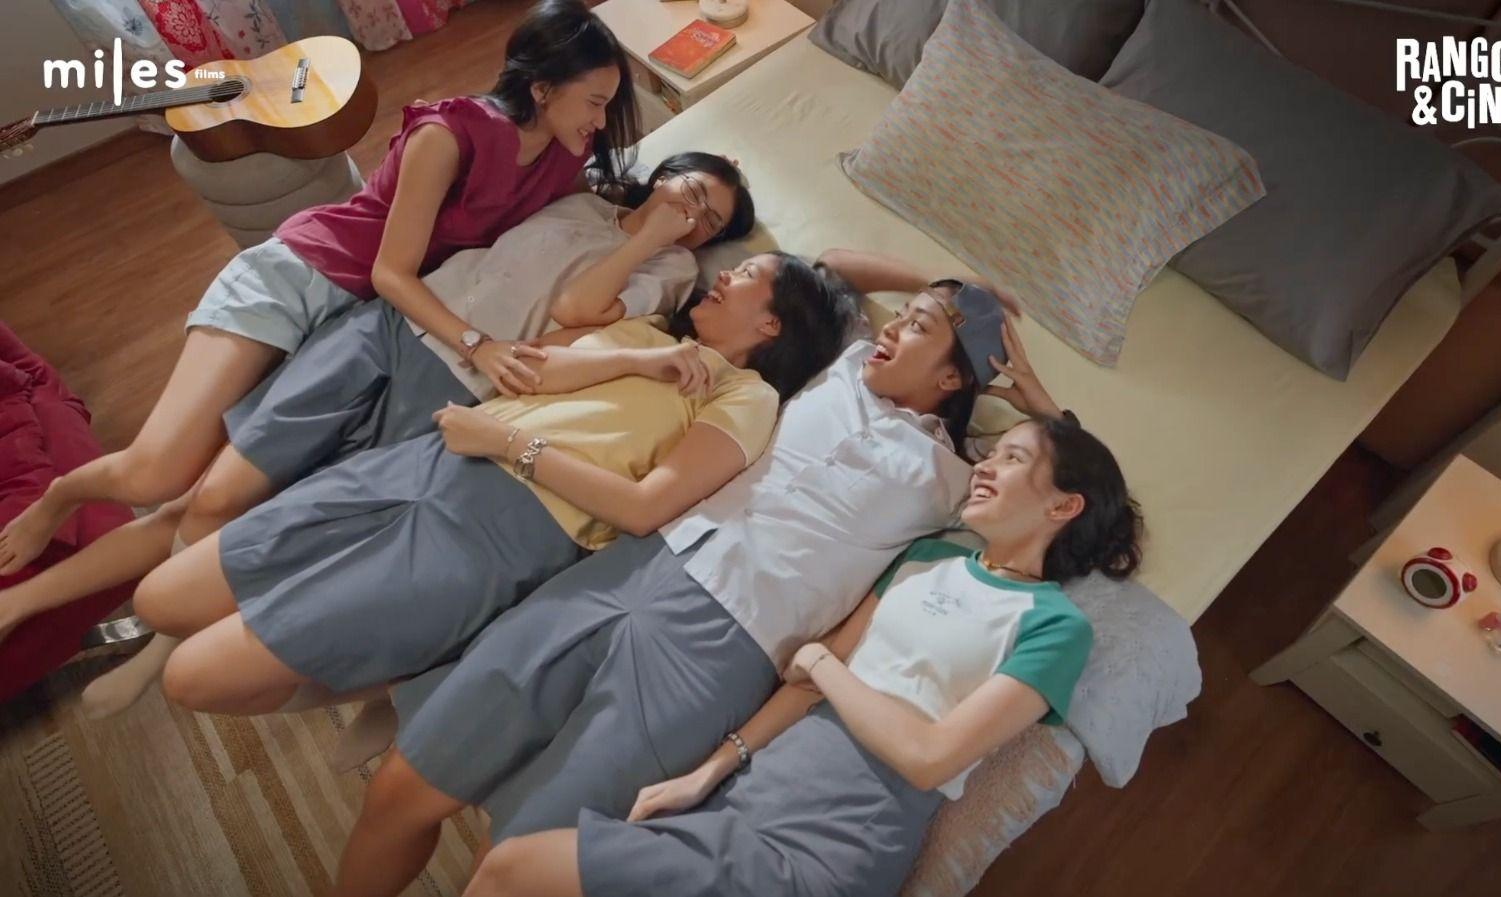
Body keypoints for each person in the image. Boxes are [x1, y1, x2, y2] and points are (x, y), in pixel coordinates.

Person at [328, 250, 1071, 897]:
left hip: (721, 655)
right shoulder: (841, 368)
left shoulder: (959, 479)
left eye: (918, 328)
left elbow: (1074, 491)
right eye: (899, 317)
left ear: (954, 374)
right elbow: (834, 265)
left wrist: (1031, 394)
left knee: (518, 860)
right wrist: (951, 284)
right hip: (631, 570)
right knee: (402, 787)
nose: (894, 329)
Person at [0, 152, 752, 716]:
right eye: (692, 192)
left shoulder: (670, 275)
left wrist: (653, 236)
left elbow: (575, 312)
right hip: (396, 327)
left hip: (461, 389)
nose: (695, 216)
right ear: (663, 174)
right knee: (212, 492)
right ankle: (60, 596)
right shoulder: (579, 197)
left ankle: (160, 638)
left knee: (285, 515)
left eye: (711, 221)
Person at [0, 0, 637, 581]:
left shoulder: (562, 156)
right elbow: (391, 272)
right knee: (159, 472)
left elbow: (584, 218)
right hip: (298, 282)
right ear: (542, 87)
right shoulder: (449, 134)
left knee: (214, 493)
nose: (602, 120)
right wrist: (478, 344)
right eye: (594, 101)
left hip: (355, 326)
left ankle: (130, 600)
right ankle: (60, 496)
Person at [134, 252, 854, 724]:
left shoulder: (749, 397)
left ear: (772, 321)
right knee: (158, 599)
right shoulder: (647, 336)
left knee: (192, 677)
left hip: (499, 533)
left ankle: (382, 669)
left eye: (746, 273)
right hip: (426, 462)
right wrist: (640, 361)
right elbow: (529, 373)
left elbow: (645, 508)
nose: (724, 274)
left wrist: (511, 445)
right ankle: (387, 661)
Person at [463, 416, 1142, 897]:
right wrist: (710, 771)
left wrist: (822, 663)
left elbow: (930, 756)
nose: (986, 466)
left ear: (1065, 506)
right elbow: (810, 681)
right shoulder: (928, 557)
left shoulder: (1056, 626)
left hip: (833, 840)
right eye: (993, 453)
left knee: (510, 872)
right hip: (745, 798)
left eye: (1013, 458)